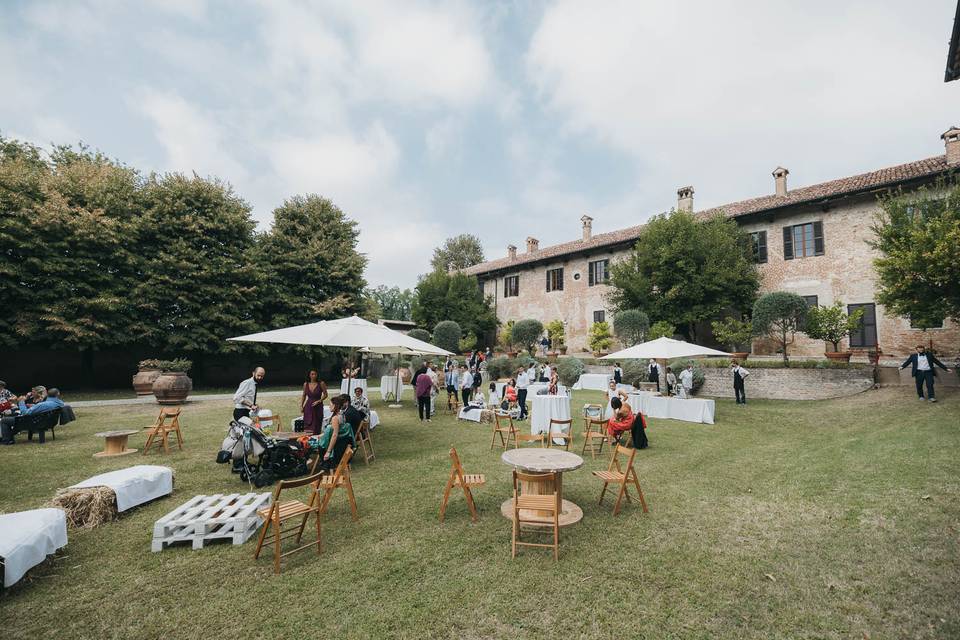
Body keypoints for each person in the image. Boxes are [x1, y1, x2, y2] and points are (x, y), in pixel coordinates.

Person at [317, 395, 355, 469]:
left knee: (309, 443)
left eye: (330, 404)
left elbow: (335, 435)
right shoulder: (343, 415)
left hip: (336, 446)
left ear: (335, 405)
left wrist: (328, 452)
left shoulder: (335, 418)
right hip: (341, 442)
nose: (329, 407)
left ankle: (323, 464)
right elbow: (338, 431)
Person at [300, 369, 328, 435]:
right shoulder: (305, 384)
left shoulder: (321, 383)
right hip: (308, 405)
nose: (314, 376)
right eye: (312, 374)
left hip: (318, 406)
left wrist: (319, 401)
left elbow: (326, 394)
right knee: (307, 423)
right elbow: (304, 395)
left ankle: (316, 438)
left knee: (317, 424)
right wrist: (301, 405)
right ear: (309, 375)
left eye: (315, 374)